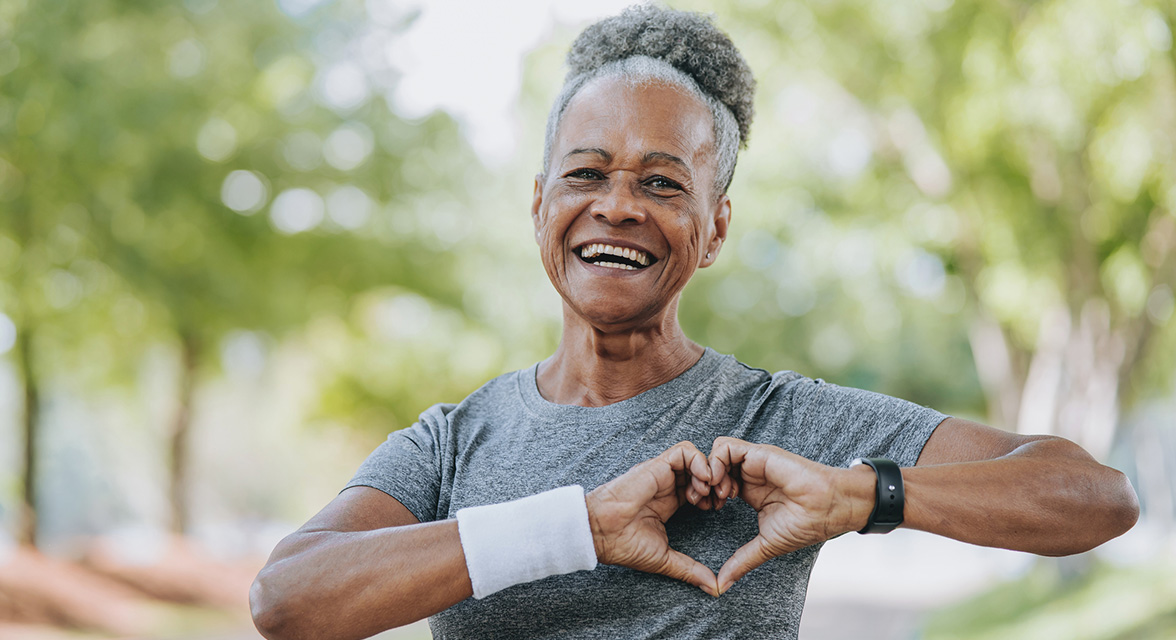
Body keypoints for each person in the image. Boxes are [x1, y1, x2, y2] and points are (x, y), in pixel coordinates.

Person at [249, 5, 1140, 640]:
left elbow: (1095, 495)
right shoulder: (456, 443)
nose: (618, 206)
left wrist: (861, 495)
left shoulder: (786, 424)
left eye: (663, 183)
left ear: (715, 228)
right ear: (539, 204)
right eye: (586, 173)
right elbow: (287, 600)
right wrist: (581, 526)